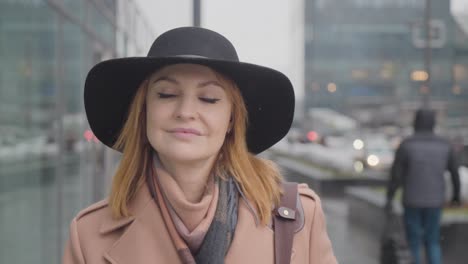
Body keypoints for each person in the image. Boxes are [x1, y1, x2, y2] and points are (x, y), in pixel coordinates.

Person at [63, 27, 337, 263]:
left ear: (232, 119)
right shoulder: (88, 235)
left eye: (208, 98)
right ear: (144, 111)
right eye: (167, 94)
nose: (185, 111)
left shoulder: (296, 217)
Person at [385, 108, 461, 264]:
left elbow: (396, 176)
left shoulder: (407, 145)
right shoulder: (444, 145)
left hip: (412, 200)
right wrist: (455, 197)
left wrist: (390, 197)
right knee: (433, 241)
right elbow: (455, 173)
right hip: (435, 201)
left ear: (416, 123)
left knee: (414, 242)